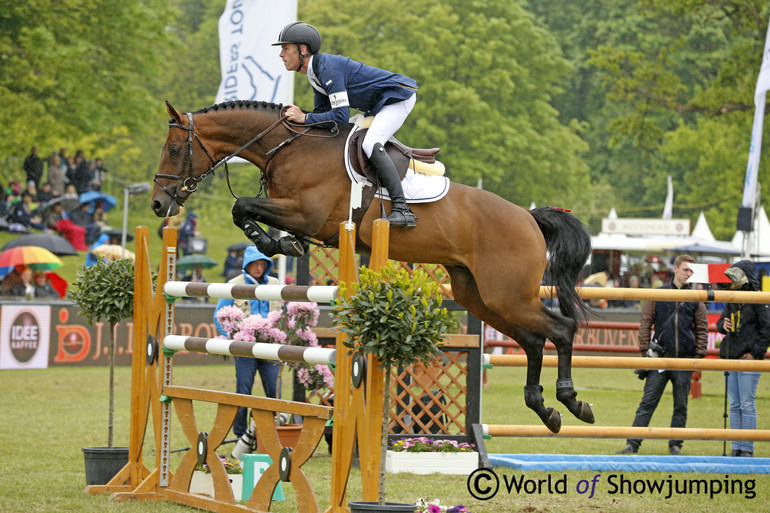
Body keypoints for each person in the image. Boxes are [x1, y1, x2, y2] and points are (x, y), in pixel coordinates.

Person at [273, 22, 417, 229]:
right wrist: (302, 118)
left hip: (397, 98)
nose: (281, 55)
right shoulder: (316, 74)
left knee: (371, 143)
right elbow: (324, 116)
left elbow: (340, 116)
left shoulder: (327, 69)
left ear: (302, 50)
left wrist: (304, 118)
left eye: (285, 48)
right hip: (380, 104)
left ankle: (403, 210)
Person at [618, 254, 708, 456]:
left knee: (681, 406)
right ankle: (632, 444)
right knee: (647, 403)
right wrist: (645, 352)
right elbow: (645, 322)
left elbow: (702, 329)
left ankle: (675, 445)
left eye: (691, 271)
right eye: (685, 269)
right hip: (659, 358)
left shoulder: (697, 299)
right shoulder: (657, 294)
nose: (689, 274)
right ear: (675, 269)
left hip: (684, 360)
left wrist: (698, 356)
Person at [213, 246, 281, 440]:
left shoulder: (275, 283)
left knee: (273, 391)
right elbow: (219, 316)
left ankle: (273, 434)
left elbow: (283, 314)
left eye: (262, 264)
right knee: (243, 390)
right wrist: (232, 339)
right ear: (246, 265)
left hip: (270, 347)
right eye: (255, 264)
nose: (259, 268)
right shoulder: (233, 284)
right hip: (244, 347)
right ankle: (240, 434)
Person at [716, 260, 770, 457]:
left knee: (746, 403)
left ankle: (747, 448)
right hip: (730, 355)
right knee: (734, 404)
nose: (733, 280)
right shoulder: (732, 298)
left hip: (748, 358)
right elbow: (720, 322)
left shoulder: (758, 299)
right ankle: (736, 446)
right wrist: (723, 324)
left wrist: (754, 354)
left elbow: (767, 330)